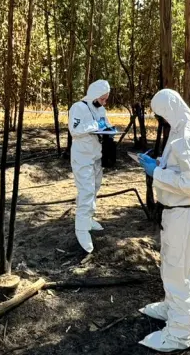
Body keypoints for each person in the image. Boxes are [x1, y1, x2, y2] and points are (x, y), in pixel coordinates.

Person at [136, 89, 190, 352]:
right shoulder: (188, 125)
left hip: (185, 214)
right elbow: (188, 170)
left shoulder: (187, 135)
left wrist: (157, 172)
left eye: (161, 115)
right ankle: (175, 308)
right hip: (187, 213)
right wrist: (163, 163)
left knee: (177, 271)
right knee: (184, 268)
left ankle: (180, 334)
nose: (162, 120)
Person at [69, 79, 113, 253]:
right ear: (94, 94)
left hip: (96, 156)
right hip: (82, 157)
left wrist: (109, 128)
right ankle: (81, 228)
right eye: (102, 98)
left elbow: (105, 124)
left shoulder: (101, 109)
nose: (104, 102)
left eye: (106, 99)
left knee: (94, 188)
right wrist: (95, 126)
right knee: (86, 190)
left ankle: (88, 219)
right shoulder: (78, 107)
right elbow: (75, 129)